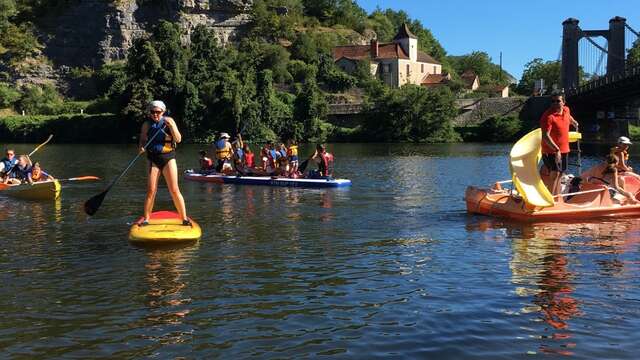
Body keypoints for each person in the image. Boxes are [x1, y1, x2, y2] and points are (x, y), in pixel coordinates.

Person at [138, 100, 190, 226]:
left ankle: (184, 218)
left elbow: (178, 139)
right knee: (151, 190)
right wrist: (141, 147)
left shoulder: (169, 121)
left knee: (174, 189)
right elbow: (143, 139)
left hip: (168, 158)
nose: (155, 114)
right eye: (152, 112)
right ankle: (146, 219)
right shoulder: (146, 124)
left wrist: (171, 126)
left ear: (163, 112)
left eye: (158, 112)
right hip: (153, 159)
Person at [540, 94, 579, 195]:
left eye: (558, 101)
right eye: (552, 101)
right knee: (555, 173)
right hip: (550, 150)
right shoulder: (548, 116)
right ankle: (550, 200)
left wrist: (573, 122)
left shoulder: (566, 110)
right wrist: (556, 150)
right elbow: (545, 136)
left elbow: (568, 116)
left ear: (563, 102)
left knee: (561, 173)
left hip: (564, 149)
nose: (555, 103)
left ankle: (557, 197)